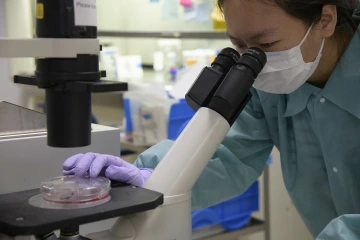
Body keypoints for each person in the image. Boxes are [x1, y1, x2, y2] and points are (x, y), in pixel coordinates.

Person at [63, 0, 360, 239]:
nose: (256, 62)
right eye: (241, 46)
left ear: (325, 20)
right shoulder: (268, 87)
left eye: (266, 45)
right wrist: (154, 178)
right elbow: (229, 153)